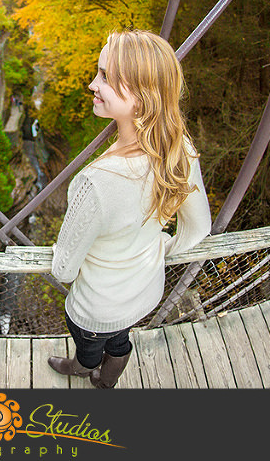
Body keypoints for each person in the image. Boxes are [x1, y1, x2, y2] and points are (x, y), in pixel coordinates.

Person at [48, 30, 211, 389]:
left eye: (105, 76)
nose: (92, 84)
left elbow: (63, 268)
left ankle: (85, 366)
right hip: (145, 292)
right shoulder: (179, 148)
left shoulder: (97, 181)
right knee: (120, 338)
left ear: (139, 96)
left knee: (89, 341)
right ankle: (109, 376)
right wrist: (160, 248)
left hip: (97, 306)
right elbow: (198, 229)